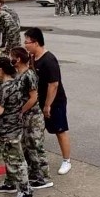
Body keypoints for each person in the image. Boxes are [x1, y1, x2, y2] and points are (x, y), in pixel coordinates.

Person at [23, 27, 71, 176]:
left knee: (59, 130)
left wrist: (47, 105)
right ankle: (33, 159)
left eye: (27, 42)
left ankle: (67, 160)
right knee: (35, 130)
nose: (25, 45)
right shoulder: (32, 58)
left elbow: (54, 85)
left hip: (54, 102)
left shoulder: (49, 60)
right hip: (40, 101)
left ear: (36, 42)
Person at [0, 57, 36, 197]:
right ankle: (10, 182)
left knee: (17, 160)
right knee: (9, 158)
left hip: (8, 129)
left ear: (1, 70)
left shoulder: (5, 87)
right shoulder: (17, 83)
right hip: (15, 126)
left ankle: (25, 191)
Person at [9, 47, 51, 192]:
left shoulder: (29, 75)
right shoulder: (18, 73)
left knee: (36, 146)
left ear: (18, 59)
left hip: (33, 117)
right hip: (25, 117)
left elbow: (33, 98)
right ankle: (34, 174)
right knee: (27, 147)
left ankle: (44, 177)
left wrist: (21, 111)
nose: (10, 59)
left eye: (12, 57)